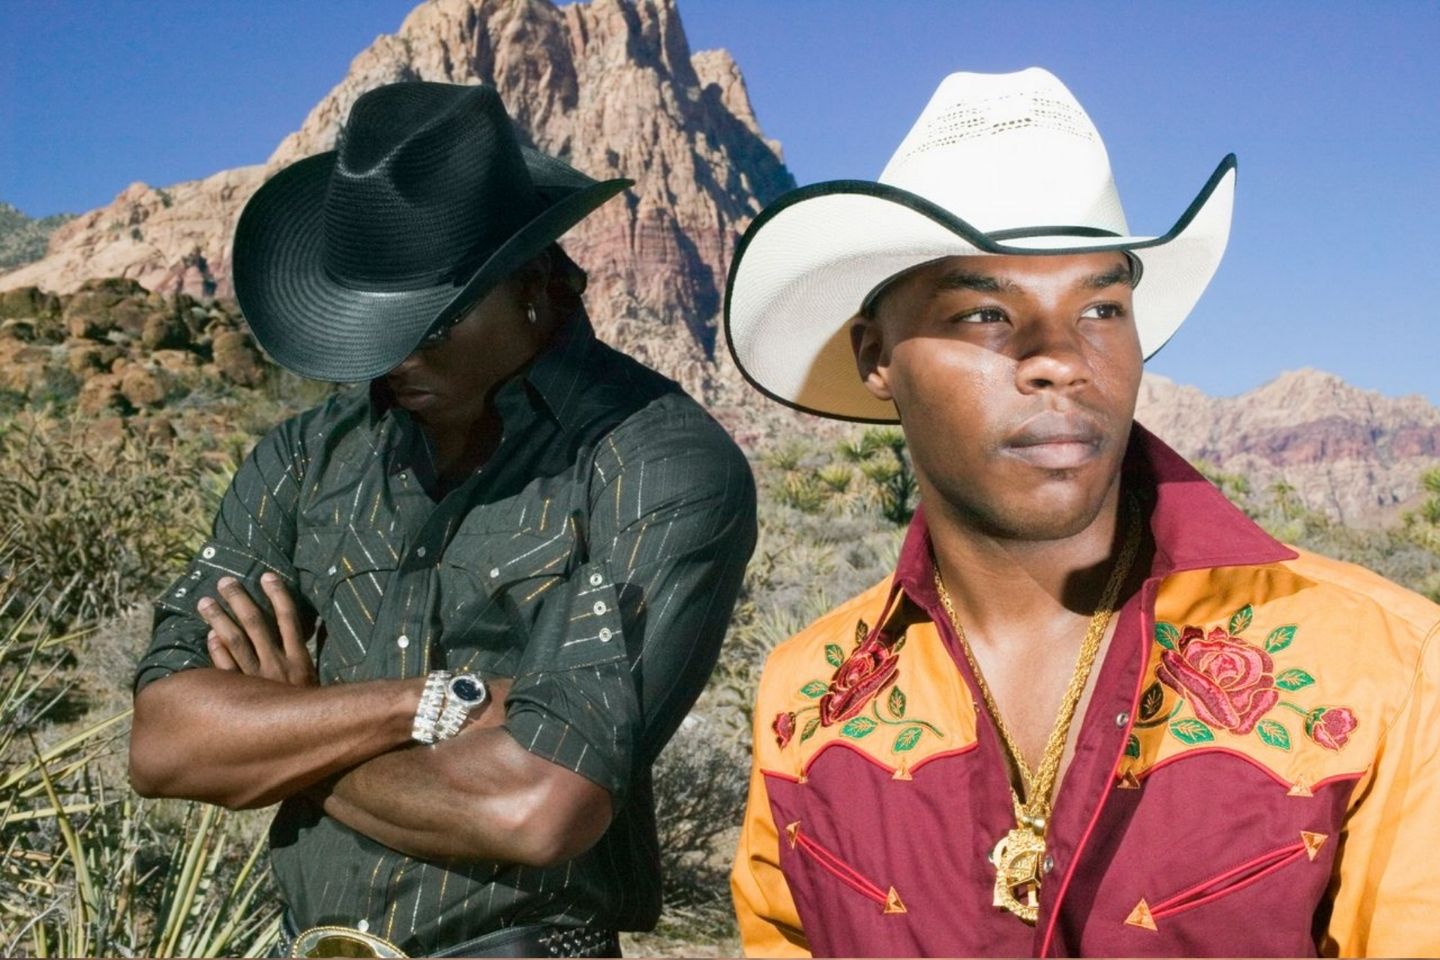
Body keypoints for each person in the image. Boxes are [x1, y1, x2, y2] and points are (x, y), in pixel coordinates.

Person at [725, 67, 1440, 957]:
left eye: (1101, 306)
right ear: (878, 358)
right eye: (985, 311)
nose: (1060, 358)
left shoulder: (1388, 667)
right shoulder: (806, 698)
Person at [128, 81, 756, 959]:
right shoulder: (305, 458)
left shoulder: (656, 463)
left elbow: (537, 806)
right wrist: (422, 706)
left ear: (535, 283)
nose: (397, 353)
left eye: (434, 319)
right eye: (373, 320)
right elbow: (164, 742)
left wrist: (289, 728)